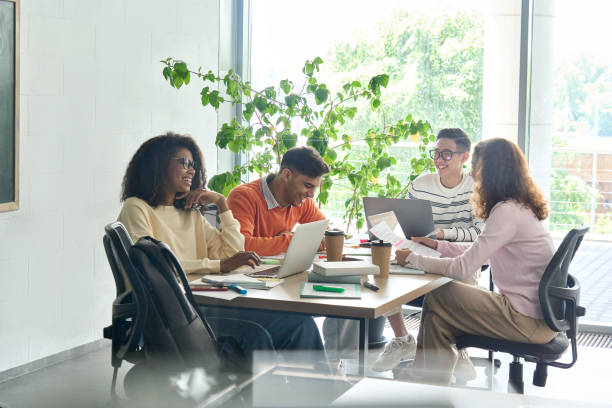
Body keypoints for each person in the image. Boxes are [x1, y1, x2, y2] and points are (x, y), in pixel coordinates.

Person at [118, 132, 326, 365]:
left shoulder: (190, 213)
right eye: (184, 163)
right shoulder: (136, 207)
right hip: (176, 313)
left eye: (193, 165)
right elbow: (155, 269)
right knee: (256, 336)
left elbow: (232, 253)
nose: (191, 170)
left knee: (301, 325)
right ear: (157, 163)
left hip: (202, 302)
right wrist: (219, 265)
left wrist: (221, 204)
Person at [395, 137, 556, 384]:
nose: (472, 173)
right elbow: (478, 251)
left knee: (439, 294)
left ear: (491, 171)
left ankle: (426, 380)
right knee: (438, 319)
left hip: (526, 320)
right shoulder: (518, 206)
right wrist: (438, 245)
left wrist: (413, 259)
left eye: (476, 167)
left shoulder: (506, 211)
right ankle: (431, 384)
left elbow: (461, 269)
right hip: (533, 315)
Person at [373, 128, 484, 377]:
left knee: (464, 273)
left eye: (446, 154)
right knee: (384, 272)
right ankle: (402, 339)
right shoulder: (421, 185)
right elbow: (405, 223)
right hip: (421, 249)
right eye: (436, 153)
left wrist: (441, 236)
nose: (438, 160)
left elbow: (479, 233)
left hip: (461, 255)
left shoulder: (476, 187)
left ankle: (457, 345)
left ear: (464, 157)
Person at [227, 146, 329, 256]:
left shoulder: (302, 201)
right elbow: (240, 247)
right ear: (287, 175)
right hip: (243, 272)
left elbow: (326, 233)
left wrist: (291, 238)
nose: (311, 195)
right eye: (308, 185)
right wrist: (294, 240)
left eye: (315, 188)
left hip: (278, 270)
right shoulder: (243, 196)